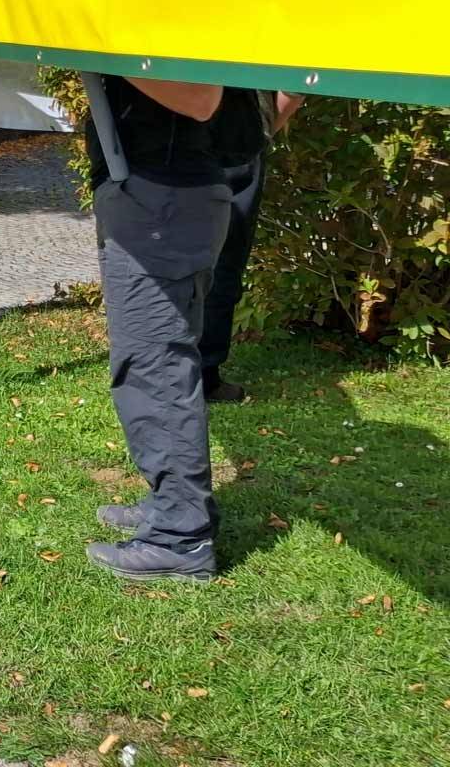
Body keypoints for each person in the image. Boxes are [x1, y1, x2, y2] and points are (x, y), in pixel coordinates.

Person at [81, 74, 252, 584]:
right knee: (164, 365)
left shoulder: (168, 16)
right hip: (179, 195)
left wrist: (99, 41)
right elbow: (280, 98)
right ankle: (173, 505)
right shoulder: (220, 14)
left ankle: (180, 536)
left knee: (154, 373)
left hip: (162, 200)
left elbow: (201, 99)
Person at [198, 91, 305, 402]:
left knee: (160, 257)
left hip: (161, 138)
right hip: (233, 138)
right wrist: (258, 133)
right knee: (222, 259)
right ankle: (204, 376)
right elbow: (292, 86)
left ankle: (161, 369)